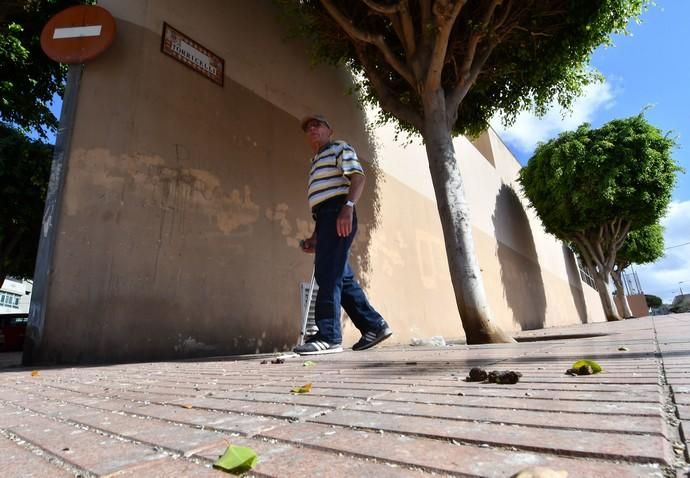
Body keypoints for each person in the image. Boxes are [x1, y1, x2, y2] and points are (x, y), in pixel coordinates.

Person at [293, 114, 392, 355]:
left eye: (318, 124)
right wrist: (317, 236)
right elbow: (322, 201)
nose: (312, 128)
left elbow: (358, 177)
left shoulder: (339, 147)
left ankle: (328, 336)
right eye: (308, 127)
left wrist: (347, 208)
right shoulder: (315, 160)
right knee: (341, 275)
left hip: (339, 212)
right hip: (326, 217)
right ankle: (374, 325)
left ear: (330, 130)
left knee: (327, 273)